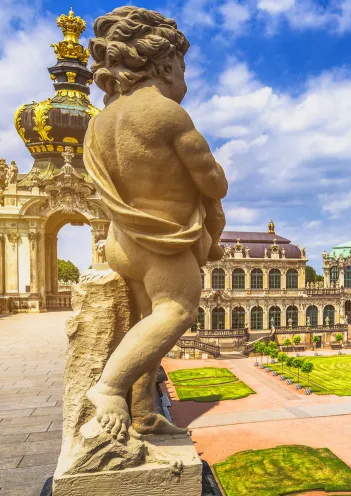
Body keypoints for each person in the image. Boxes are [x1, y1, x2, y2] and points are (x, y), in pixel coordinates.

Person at [83, 6, 227, 441]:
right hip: (163, 240)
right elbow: (213, 182)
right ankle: (109, 388)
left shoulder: (100, 123)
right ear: (165, 65)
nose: (184, 78)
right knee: (176, 311)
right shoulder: (167, 114)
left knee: (147, 323)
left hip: (123, 240)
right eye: (182, 68)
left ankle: (143, 412)